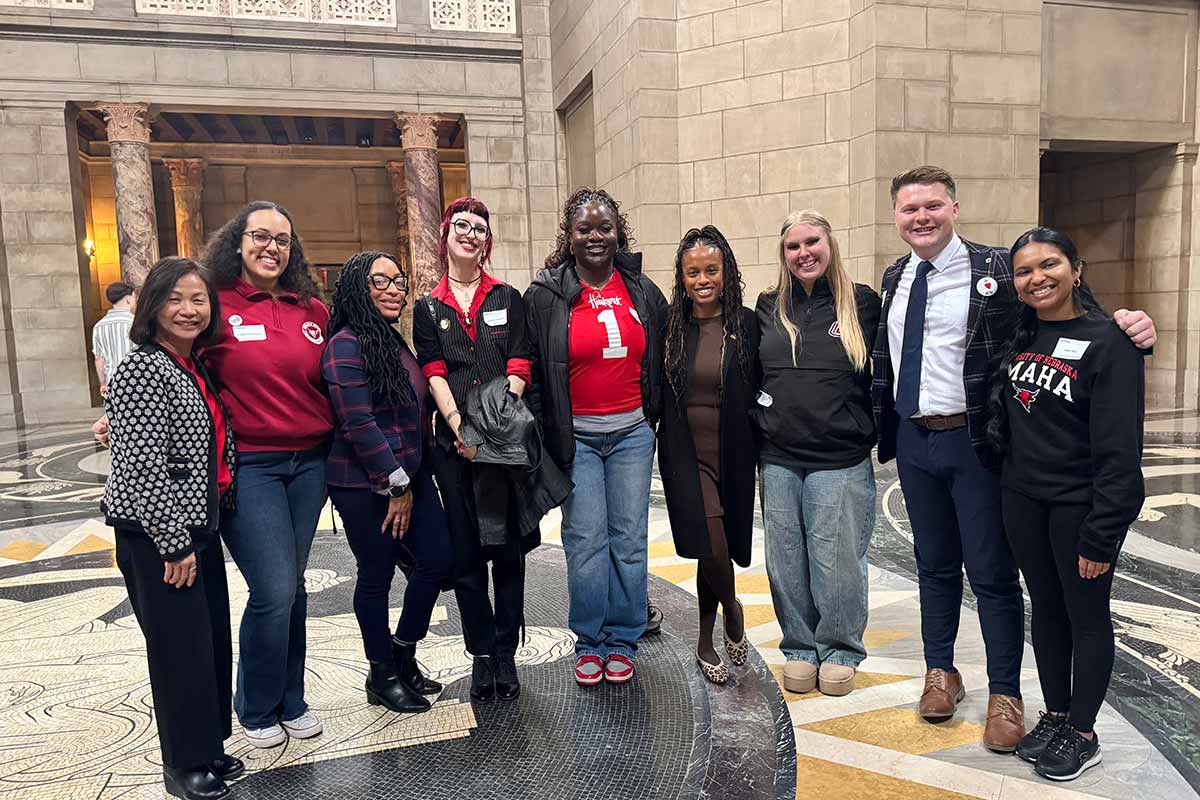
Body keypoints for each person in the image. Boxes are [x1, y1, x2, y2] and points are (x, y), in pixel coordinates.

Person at [870, 166, 1156, 752]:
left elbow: (1057, 299)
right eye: (908, 209)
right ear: (896, 218)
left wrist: (1129, 322)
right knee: (933, 565)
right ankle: (940, 670)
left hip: (973, 441)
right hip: (914, 441)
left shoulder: (998, 267)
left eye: (932, 205)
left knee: (992, 574)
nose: (921, 217)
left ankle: (1006, 693)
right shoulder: (896, 275)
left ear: (954, 207)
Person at [986, 228, 1144, 781]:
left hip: (1081, 506)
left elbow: (1121, 451)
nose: (1037, 278)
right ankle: (1055, 715)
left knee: (1086, 617)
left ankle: (1083, 731)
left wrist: (1103, 530)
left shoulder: (1111, 341)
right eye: (1025, 271)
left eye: (1048, 265)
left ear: (1076, 269)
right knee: (1046, 610)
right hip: (1025, 501)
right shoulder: (1021, 333)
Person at [102, 257, 242, 800]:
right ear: (153, 305)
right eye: (176, 299)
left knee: (206, 642)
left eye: (199, 299)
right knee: (178, 649)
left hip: (194, 526)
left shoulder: (191, 364)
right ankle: (183, 765)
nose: (188, 310)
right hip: (158, 536)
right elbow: (142, 467)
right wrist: (173, 542)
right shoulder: (141, 369)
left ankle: (206, 745)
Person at [201, 201, 334, 748]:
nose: (271, 248)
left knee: (294, 587)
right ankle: (256, 706)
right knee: (274, 587)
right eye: (260, 236)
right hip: (250, 465)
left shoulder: (312, 310)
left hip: (311, 465)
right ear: (239, 241)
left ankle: (291, 698)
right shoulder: (215, 303)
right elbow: (176, 361)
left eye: (282, 240)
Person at [524, 187, 667, 686]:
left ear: (618, 232)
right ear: (570, 235)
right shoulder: (546, 295)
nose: (595, 236)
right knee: (585, 541)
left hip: (630, 433)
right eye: (585, 228)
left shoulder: (643, 290)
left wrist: (654, 419)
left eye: (604, 227)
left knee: (629, 540)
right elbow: (536, 373)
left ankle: (624, 636)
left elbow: (661, 359)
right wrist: (545, 435)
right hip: (577, 439)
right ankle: (590, 638)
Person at [413, 197, 542, 704]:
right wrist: (457, 426)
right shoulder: (428, 307)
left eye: (480, 228)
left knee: (506, 550)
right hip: (453, 446)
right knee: (466, 553)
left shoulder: (508, 297)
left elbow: (519, 364)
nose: (470, 233)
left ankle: (507, 651)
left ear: (487, 241)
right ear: (445, 234)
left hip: (502, 444)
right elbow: (434, 370)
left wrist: (488, 429)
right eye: (461, 225)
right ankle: (482, 654)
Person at [754, 211, 880, 697]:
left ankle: (840, 648)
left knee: (837, 559)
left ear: (830, 245)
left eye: (812, 242)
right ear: (782, 254)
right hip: (780, 454)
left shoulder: (863, 303)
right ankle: (800, 647)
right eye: (793, 246)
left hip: (839, 456)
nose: (803, 253)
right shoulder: (768, 306)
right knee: (786, 557)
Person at [323, 251, 452, 714]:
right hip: (364, 486)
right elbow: (358, 422)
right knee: (375, 577)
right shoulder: (345, 344)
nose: (395, 288)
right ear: (359, 286)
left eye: (399, 280)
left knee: (437, 560)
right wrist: (395, 486)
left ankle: (403, 651)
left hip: (410, 478)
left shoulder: (393, 342)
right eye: (382, 280)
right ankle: (381, 674)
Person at [657, 226, 759, 685]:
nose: (703, 279)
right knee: (712, 541)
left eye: (711, 270)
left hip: (732, 449)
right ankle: (731, 613)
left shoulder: (746, 323)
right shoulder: (670, 323)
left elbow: (758, 384)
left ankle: (704, 634)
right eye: (693, 272)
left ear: (726, 272)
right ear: (682, 277)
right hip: (685, 451)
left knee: (709, 551)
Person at [92, 281, 136, 397]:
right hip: (135, 381)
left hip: (112, 382)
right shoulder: (135, 323)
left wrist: (103, 383)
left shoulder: (99, 326)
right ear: (128, 299)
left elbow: (99, 359)